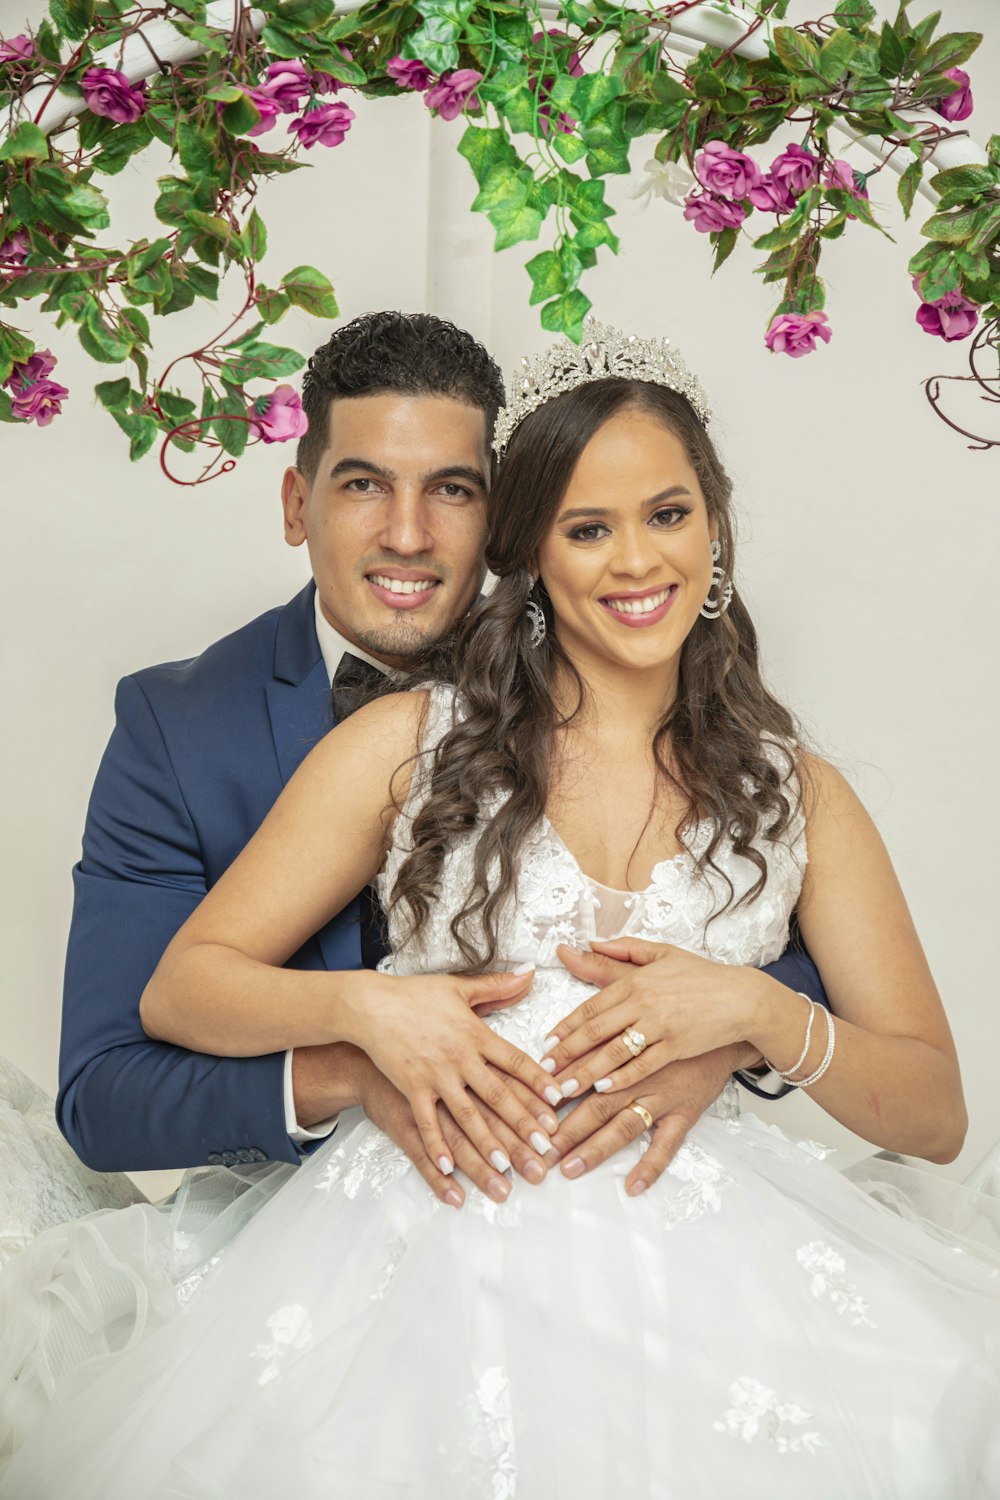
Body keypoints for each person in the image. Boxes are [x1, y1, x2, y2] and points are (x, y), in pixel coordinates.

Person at [2, 321, 998, 1497]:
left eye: (667, 515)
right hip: (416, 1244)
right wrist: (370, 1020)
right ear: (533, 557)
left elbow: (931, 1108)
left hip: (711, 1254)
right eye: (587, 528)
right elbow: (171, 998)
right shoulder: (403, 742)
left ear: (715, 530)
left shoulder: (796, 794)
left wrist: (753, 1018)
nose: (635, 560)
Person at [55, 309, 826, 1209]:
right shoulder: (176, 725)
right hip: (305, 1240)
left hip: (623, 1207)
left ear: (512, 516)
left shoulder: (617, 674)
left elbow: (798, 946)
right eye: (363, 486)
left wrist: (727, 1041)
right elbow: (105, 1097)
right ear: (298, 506)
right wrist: (353, 1066)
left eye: (454, 490)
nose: (410, 535)